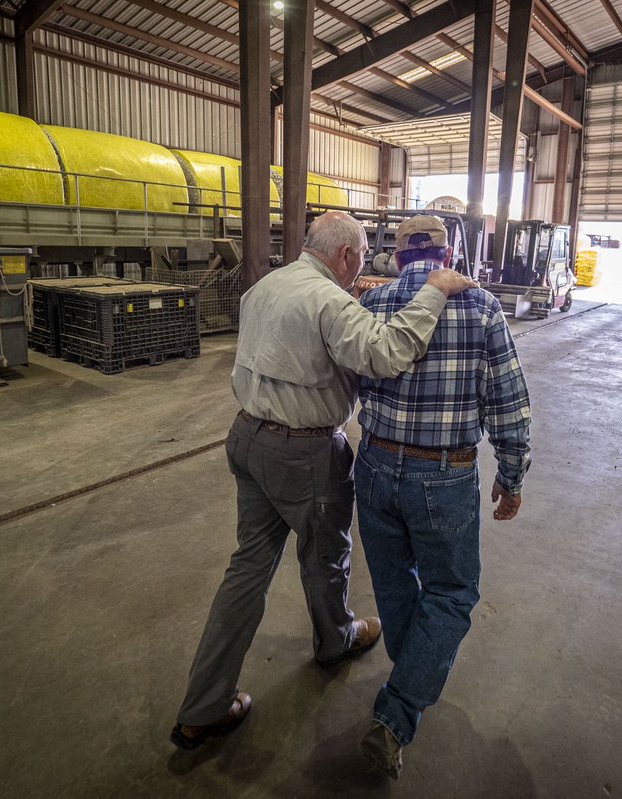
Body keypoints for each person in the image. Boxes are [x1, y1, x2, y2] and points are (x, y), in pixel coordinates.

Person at [170, 210, 478, 751]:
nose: (360, 270)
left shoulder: (266, 286)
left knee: (247, 568)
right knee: (325, 554)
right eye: (359, 259)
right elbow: (387, 353)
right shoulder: (330, 301)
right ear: (347, 256)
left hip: (246, 438)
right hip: (301, 452)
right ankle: (334, 641)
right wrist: (432, 290)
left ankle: (203, 705)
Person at [353, 215, 531, 778]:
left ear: (397, 254)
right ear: (448, 251)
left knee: (392, 581)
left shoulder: (372, 305)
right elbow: (506, 398)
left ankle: (409, 676)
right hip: (443, 475)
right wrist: (512, 472)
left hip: (375, 465)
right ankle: (398, 710)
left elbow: (354, 379)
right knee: (452, 593)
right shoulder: (480, 307)